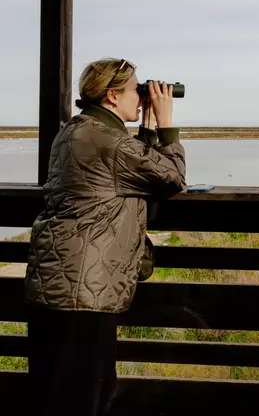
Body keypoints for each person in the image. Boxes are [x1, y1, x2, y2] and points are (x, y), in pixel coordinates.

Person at [24, 58, 186, 416]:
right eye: (136, 90)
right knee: (87, 400)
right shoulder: (109, 141)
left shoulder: (76, 130)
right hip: (86, 293)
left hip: (59, 285)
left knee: (52, 397)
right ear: (113, 96)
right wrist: (166, 124)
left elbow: (133, 173)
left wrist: (146, 131)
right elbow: (172, 178)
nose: (142, 96)